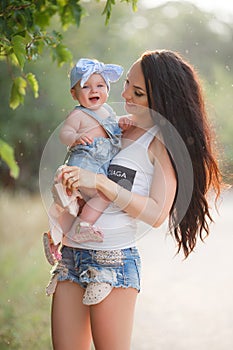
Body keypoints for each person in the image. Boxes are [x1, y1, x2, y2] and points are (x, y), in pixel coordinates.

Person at [46, 50, 221, 350]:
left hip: (111, 263)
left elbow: (156, 214)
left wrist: (101, 183)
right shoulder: (116, 125)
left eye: (137, 92)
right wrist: (67, 187)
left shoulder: (159, 144)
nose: (124, 93)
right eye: (126, 82)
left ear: (161, 100)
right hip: (72, 255)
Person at [44, 58, 133, 265]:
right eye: (86, 86)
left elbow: (114, 131)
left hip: (97, 171)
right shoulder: (78, 114)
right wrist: (73, 138)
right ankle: (82, 227)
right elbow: (64, 133)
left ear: (107, 89)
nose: (94, 90)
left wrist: (124, 124)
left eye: (100, 85)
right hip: (81, 167)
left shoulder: (109, 112)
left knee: (83, 204)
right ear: (74, 94)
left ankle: (55, 238)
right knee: (98, 197)